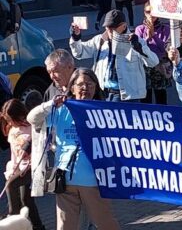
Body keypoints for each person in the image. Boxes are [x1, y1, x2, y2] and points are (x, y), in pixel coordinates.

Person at [27, 68, 120, 230]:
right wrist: (50, 104)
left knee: (104, 223)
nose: (86, 88)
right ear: (72, 88)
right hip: (65, 180)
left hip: (93, 180)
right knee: (65, 226)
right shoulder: (61, 110)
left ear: (96, 88)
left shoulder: (104, 111)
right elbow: (32, 118)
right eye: (81, 84)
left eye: (90, 84)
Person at [70, 9, 158, 102]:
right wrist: (76, 37)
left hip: (125, 96)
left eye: (113, 28)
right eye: (108, 28)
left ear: (124, 26)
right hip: (102, 93)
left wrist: (139, 49)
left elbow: (153, 62)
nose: (110, 31)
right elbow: (79, 53)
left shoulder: (135, 41)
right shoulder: (100, 40)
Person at [1, 99, 44, 230]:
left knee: (11, 185)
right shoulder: (12, 130)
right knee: (27, 201)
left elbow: (41, 148)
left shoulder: (32, 128)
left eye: (11, 119)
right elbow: (14, 153)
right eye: (8, 120)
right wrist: (13, 169)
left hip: (33, 168)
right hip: (20, 168)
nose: (10, 123)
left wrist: (31, 153)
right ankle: (38, 226)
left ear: (20, 115)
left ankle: (12, 215)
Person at [134, 3, 172, 105]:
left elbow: (164, 49)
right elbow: (138, 48)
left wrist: (154, 36)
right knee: (146, 97)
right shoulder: (140, 29)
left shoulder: (165, 29)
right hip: (145, 66)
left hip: (159, 65)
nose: (151, 15)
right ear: (144, 13)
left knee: (161, 97)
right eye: (148, 12)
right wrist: (147, 38)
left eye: (153, 12)